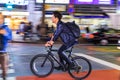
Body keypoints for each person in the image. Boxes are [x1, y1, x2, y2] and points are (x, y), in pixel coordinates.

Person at [0, 14, 12, 80]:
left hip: (3, 53)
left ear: (2, 19)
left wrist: (5, 34)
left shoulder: (6, 28)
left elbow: (10, 38)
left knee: (4, 71)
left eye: (0, 18)